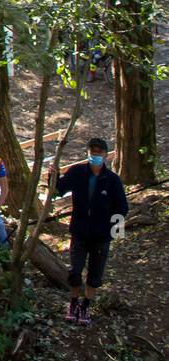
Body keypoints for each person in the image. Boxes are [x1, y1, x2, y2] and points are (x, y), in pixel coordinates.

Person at [54, 138, 128, 326]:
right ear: (87, 153)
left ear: (105, 155)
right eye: (92, 152)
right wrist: (52, 176)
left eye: (99, 152)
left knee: (95, 274)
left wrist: (114, 231)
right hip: (79, 232)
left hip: (101, 236)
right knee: (75, 271)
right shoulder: (77, 172)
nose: (95, 155)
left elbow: (122, 207)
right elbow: (59, 189)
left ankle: (86, 305)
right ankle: (73, 303)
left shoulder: (112, 180)